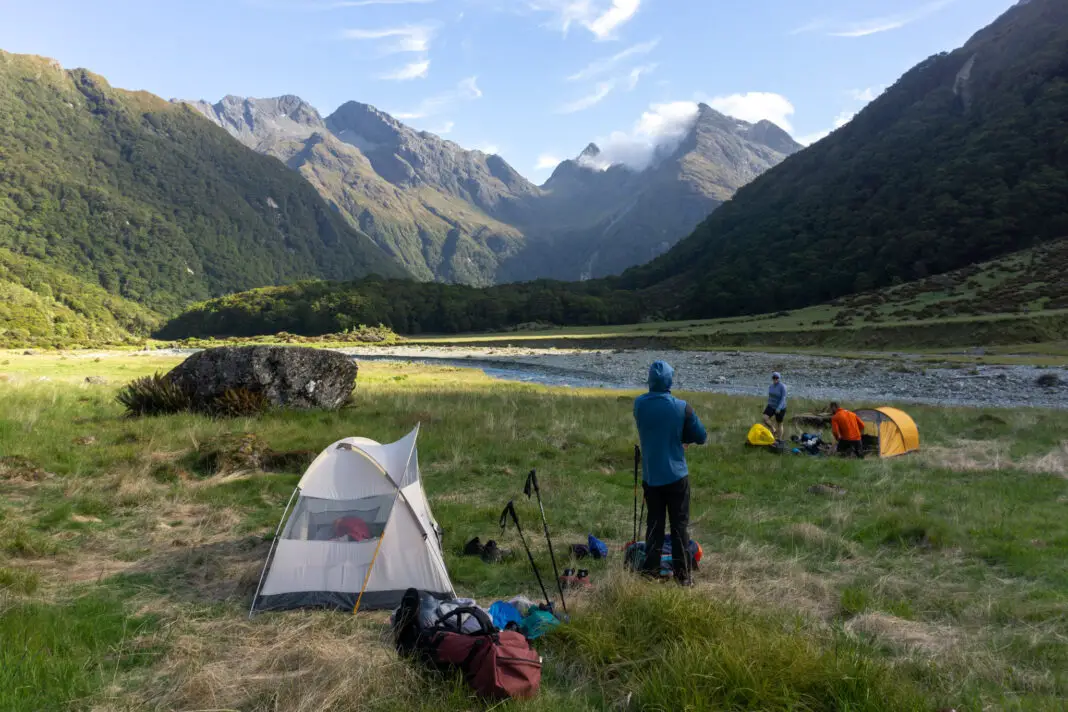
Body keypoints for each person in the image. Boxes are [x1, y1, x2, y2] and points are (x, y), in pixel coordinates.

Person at [634, 361, 707, 586]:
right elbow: (701, 436)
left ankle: (651, 570)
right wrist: (683, 438)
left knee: (654, 525)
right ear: (669, 380)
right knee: (679, 526)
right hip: (676, 476)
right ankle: (683, 577)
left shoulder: (639, 404)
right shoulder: (681, 407)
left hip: (651, 477)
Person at [763, 372, 787, 440]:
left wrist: (779, 408)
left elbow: (783, 398)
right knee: (765, 418)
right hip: (771, 406)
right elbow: (770, 396)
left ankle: (779, 439)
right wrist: (769, 403)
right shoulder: (771, 386)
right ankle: (773, 429)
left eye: (777, 378)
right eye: (774, 377)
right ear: (772, 378)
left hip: (780, 408)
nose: (775, 379)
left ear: (779, 378)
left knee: (779, 424)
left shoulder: (782, 386)